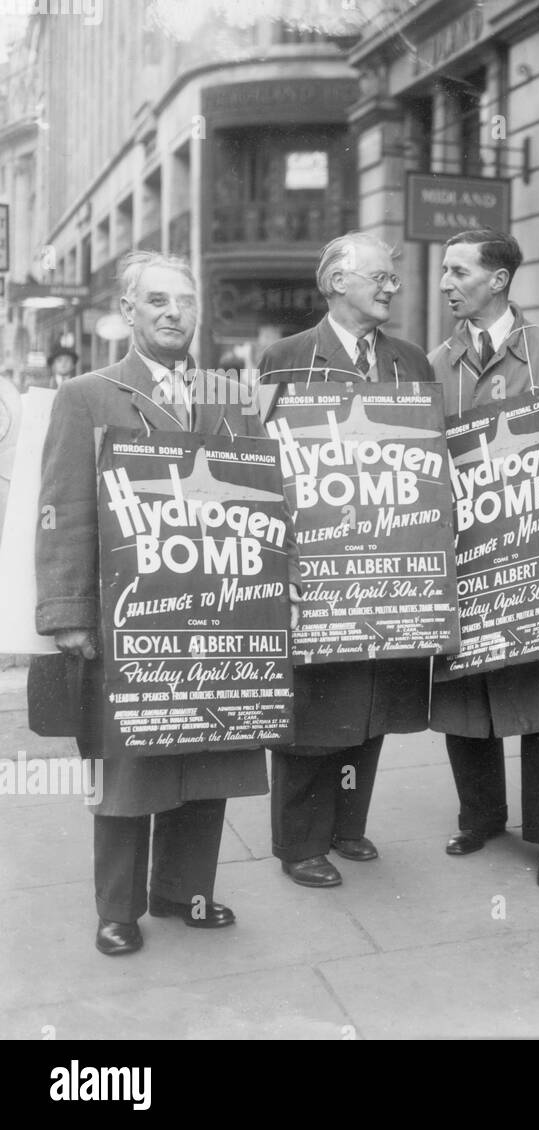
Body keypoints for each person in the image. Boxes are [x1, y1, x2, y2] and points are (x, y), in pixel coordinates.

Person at [30, 251, 292, 956]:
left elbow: (266, 494)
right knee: (127, 769)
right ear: (129, 312)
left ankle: (185, 893)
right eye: (157, 302)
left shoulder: (231, 396)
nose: (175, 313)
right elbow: (64, 507)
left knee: (209, 755)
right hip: (130, 620)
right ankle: (118, 909)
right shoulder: (88, 393)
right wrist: (70, 616)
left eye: (184, 301)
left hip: (221, 613)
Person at [259, 232, 433, 889]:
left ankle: (346, 826)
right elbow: (268, 457)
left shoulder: (411, 361)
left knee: (369, 706)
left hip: (390, 566)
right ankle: (299, 843)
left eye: (394, 278)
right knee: (313, 708)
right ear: (335, 282)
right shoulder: (287, 357)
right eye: (379, 277)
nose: (392, 286)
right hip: (318, 568)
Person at [428, 228, 539, 889]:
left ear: (498, 279)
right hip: (464, 551)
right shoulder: (437, 363)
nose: (444, 284)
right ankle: (481, 815)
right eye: (443, 271)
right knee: (465, 691)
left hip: (534, 557)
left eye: (458, 271)